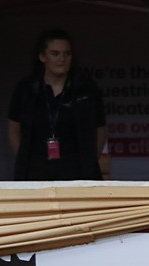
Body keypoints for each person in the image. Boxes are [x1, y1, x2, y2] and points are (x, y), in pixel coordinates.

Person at [7, 29, 107, 181]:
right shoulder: (27, 88)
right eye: (55, 53)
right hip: (35, 169)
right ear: (42, 56)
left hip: (77, 170)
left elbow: (100, 128)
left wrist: (90, 160)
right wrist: (24, 159)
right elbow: (14, 127)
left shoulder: (86, 89)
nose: (62, 59)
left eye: (67, 54)